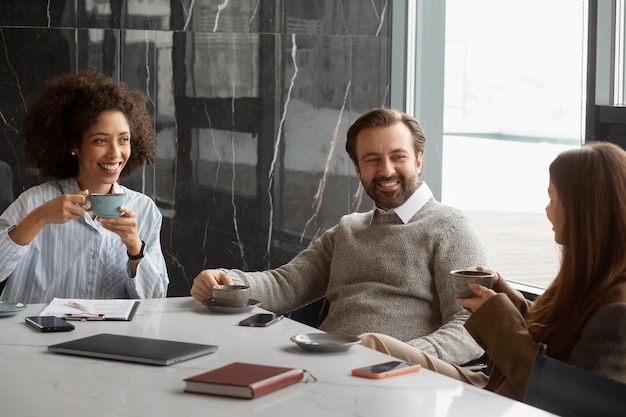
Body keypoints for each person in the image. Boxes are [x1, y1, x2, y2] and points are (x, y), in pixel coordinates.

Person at [191, 107, 487, 365]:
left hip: (396, 378)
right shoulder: (348, 230)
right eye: (372, 160)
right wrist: (226, 281)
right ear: (358, 169)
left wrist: (400, 356)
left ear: (418, 161)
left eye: (398, 156)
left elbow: (473, 325)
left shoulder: (451, 228)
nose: (387, 170)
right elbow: (287, 285)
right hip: (325, 364)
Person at [359, 141, 626, 401]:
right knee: (372, 344)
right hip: (493, 384)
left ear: (583, 211)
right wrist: (501, 292)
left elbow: (567, 401)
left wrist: (496, 317)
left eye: (552, 198)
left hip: (511, 401)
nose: (547, 210)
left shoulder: (617, 313)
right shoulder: (591, 276)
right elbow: (553, 338)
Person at [0, 70, 169, 304]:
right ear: (73, 145)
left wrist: (134, 246)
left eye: (124, 139)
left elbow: (156, 301)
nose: (115, 153)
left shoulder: (144, 209)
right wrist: (38, 218)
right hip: (33, 336)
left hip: (108, 339)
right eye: (100, 140)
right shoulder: (34, 202)